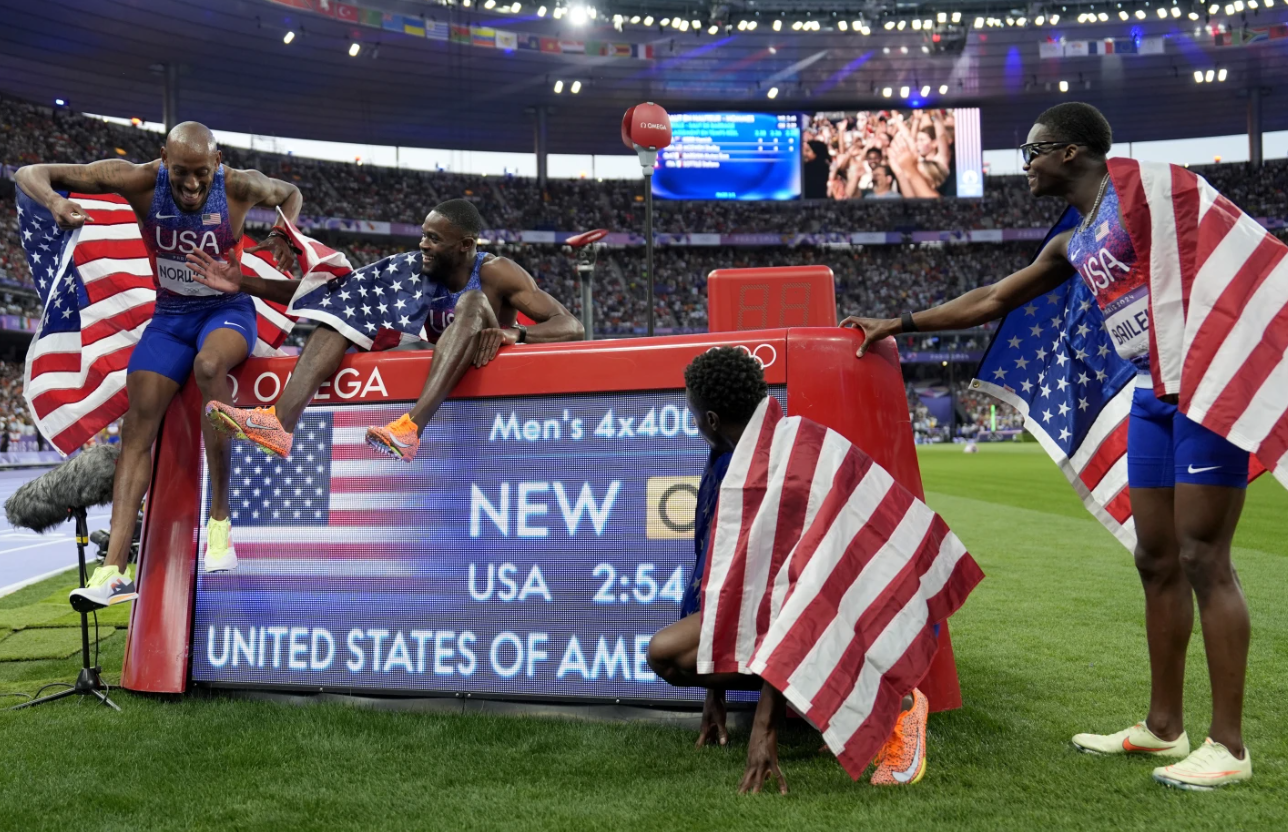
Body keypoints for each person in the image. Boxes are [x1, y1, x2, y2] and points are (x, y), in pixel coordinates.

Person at [842, 102, 1254, 790]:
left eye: (1032, 150)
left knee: (1203, 557)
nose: (1023, 164)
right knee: (1156, 559)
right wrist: (897, 323)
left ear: (1070, 152)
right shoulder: (1072, 241)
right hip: (1153, 395)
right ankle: (1162, 727)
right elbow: (993, 298)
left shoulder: (1151, 192)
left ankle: (1230, 746)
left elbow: (1230, 248)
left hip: (1208, 386)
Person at [14, 122, 303, 611]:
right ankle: (114, 572)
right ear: (163, 160)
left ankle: (219, 524)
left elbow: (290, 193)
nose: (191, 187)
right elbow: (30, 171)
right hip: (169, 317)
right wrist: (56, 203)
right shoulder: (138, 180)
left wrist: (284, 235)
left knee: (211, 367)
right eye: (180, 174)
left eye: (201, 175)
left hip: (224, 312)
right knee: (136, 426)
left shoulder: (240, 185)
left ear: (218, 164)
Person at [646, 347, 928, 794]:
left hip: (867, 603)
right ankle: (844, 696)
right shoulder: (734, 453)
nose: (694, 423)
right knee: (671, 654)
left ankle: (899, 704)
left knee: (678, 650)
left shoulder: (788, 467)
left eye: (694, 414)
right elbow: (721, 573)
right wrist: (713, 689)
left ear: (713, 419)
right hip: (826, 602)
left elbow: (797, 604)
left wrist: (765, 729)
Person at [194, 198, 582, 464]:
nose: (422, 245)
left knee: (473, 302)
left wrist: (518, 335)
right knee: (340, 314)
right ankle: (280, 423)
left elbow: (571, 326)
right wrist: (242, 282)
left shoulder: (496, 271)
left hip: (500, 403)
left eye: (434, 239)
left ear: (465, 245)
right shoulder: (413, 269)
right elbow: (334, 294)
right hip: (449, 386)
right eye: (423, 234)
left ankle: (410, 427)